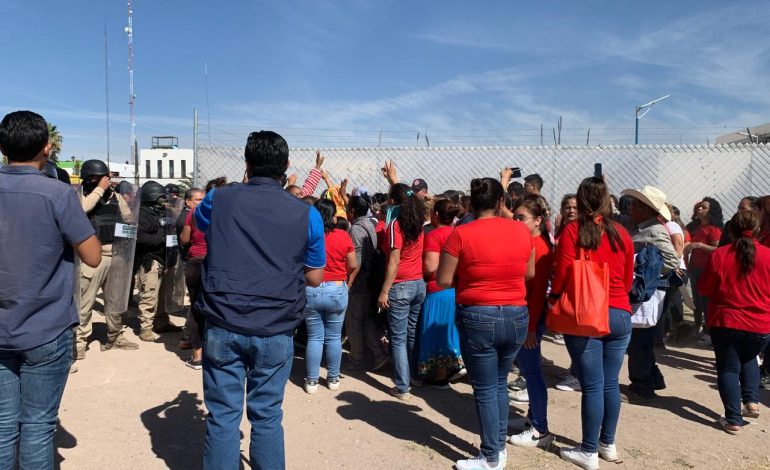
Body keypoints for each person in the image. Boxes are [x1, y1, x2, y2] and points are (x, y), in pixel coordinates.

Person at [193, 130, 325, 469]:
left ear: (247, 163)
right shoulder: (306, 213)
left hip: (224, 320)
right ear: (287, 166)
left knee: (222, 416)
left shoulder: (217, 198)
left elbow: (202, 225)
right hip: (277, 325)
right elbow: (314, 276)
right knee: (267, 416)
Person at [0, 110, 101, 469]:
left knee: (2, 426)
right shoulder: (56, 194)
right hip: (45, 326)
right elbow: (91, 256)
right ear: (47, 148)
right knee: (38, 426)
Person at [437, 177, 535, 470]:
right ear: (501, 202)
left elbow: (443, 279)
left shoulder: (460, 234)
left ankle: (491, 456)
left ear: (472, 202)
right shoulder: (521, 230)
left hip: (479, 314)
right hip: (516, 313)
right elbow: (529, 272)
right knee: (499, 383)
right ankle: (498, 448)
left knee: (485, 388)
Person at [552, 177, 634, 470]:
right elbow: (626, 278)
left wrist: (555, 299)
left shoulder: (573, 231)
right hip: (621, 313)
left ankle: (588, 451)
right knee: (610, 384)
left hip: (586, 315)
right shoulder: (621, 233)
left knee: (593, 386)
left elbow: (561, 276)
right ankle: (607, 444)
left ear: (580, 200)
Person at [698, 210, 770, 434]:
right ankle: (752, 402)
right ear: (759, 231)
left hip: (726, 321)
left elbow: (704, 288)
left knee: (728, 368)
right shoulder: (768, 255)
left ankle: (733, 419)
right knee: (749, 358)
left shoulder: (720, 255)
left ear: (731, 230)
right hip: (760, 325)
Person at [620, 186, 679, 404]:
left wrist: (647, 269)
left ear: (645, 209)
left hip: (649, 293)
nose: (630, 208)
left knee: (640, 341)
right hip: (644, 292)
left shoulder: (655, 229)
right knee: (640, 340)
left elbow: (671, 261)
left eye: (635, 204)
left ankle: (642, 386)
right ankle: (650, 379)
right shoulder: (643, 226)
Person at [76, 160, 139, 358]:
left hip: (116, 254)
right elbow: (83, 209)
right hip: (93, 258)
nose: (106, 181)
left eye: (107, 178)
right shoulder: (80, 195)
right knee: (85, 302)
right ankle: (78, 343)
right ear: (90, 178)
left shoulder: (115, 197)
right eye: (102, 178)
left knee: (115, 300)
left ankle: (115, 336)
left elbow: (128, 218)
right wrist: (99, 191)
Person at [506, 194, 555, 449]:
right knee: (527, 369)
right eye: (515, 217)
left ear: (537, 220)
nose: (516, 221)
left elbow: (537, 293)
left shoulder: (541, 247)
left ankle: (540, 428)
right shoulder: (530, 241)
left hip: (530, 317)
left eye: (521, 218)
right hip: (526, 315)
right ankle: (532, 420)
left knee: (532, 372)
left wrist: (532, 328)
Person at [377, 183, 427, 400]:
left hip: (401, 285)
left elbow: (394, 260)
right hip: (418, 283)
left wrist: (384, 290)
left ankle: (402, 386)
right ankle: (414, 375)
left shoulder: (396, 226)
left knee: (397, 338)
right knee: (411, 333)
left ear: (394, 202)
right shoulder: (418, 224)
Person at [303, 199, 357, 393]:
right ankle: (333, 378)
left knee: (315, 337)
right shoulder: (342, 235)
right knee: (334, 337)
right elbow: (352, 263)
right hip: (336, 288)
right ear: (333, 216)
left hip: (312, 288)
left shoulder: (308, 234)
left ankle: (312, 381)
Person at [416, 199, 464, 387]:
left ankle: (440, 376)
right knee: (451, 330)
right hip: (456, 290)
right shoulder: (458, 233)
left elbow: (430, 267)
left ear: (435, 215)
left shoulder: (434, 235)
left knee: (436, 332)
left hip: (438, 290)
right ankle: (451, 369)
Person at [345, 195, 389, 371]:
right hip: (371, 279)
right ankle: (378, 354)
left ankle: (356, 358)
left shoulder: (356, 230)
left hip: (360, 281)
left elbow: (356, 261)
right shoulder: (370, 224)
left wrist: (348, 283)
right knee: (365, 319)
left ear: (353, 211)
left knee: (353, 321)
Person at [134, 181, 181, 341]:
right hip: (150, 259)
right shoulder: (142, 214)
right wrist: (162, 238)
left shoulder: (164, 213)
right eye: (161, 198)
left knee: (164, 295)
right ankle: (145, 328)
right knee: (149, 294)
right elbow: (140, 238)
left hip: (166, 257)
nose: (165, 201)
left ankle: (161, 322)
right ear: (152, 197)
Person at [684, 197, 724, 346]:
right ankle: (698, 326)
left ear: (711, 211)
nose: (699, 209)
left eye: (704, 207)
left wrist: (700, 245)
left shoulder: (713, 229)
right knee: (697, 301)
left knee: (705, 301)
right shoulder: (697, 227)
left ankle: (709, 333)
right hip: (695, 268)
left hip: (706, 270)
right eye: (699, 207)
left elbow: (717, 249)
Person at [179, 188, 206, 369]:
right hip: (215, 263)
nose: (201, 202)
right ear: (187, 201)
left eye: (202, 199)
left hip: (196, 261)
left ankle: (198, 357)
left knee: (196, 308)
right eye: (197, 199)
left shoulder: (193, 215)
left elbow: (184, 239)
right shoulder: (221, 213)